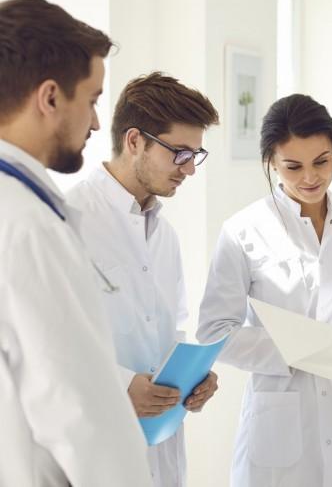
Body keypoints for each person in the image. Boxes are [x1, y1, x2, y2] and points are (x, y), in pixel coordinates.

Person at [0, 0, 153, 486]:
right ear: (49, 98)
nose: (93, 122)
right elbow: (78, 410)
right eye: (90, 100)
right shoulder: (31, 226)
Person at [197, 94, 332, 487]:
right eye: (293, 166)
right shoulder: (244, 230)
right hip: (278, 425)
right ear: (270, 162)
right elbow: (214, 331)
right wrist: (302, 349)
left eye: (322, 161)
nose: (310, 178)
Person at [67, 72, 220, 486]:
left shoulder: (164, 235)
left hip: (162, 448)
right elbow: (42, 344)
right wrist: (120, 387)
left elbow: (168, 333)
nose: (189, 170)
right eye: (180, 153)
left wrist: (194, 381)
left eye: (195, 156)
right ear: (135, 141)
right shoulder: (67, 221)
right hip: (96, 454)